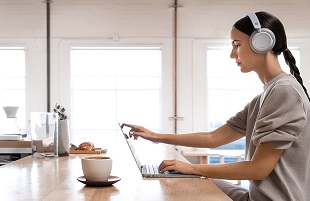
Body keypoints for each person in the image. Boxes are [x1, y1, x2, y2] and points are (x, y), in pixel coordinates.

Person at [122, 11, 310, 201]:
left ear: (262, 43)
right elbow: (214, 137)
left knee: (190, 183)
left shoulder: (284, 91)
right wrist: (155, 136)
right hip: (255, 197)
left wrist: (192, 168)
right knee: (192, 181)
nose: (232, 54)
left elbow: (258, 169)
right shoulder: (264, 97)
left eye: (237, 45)